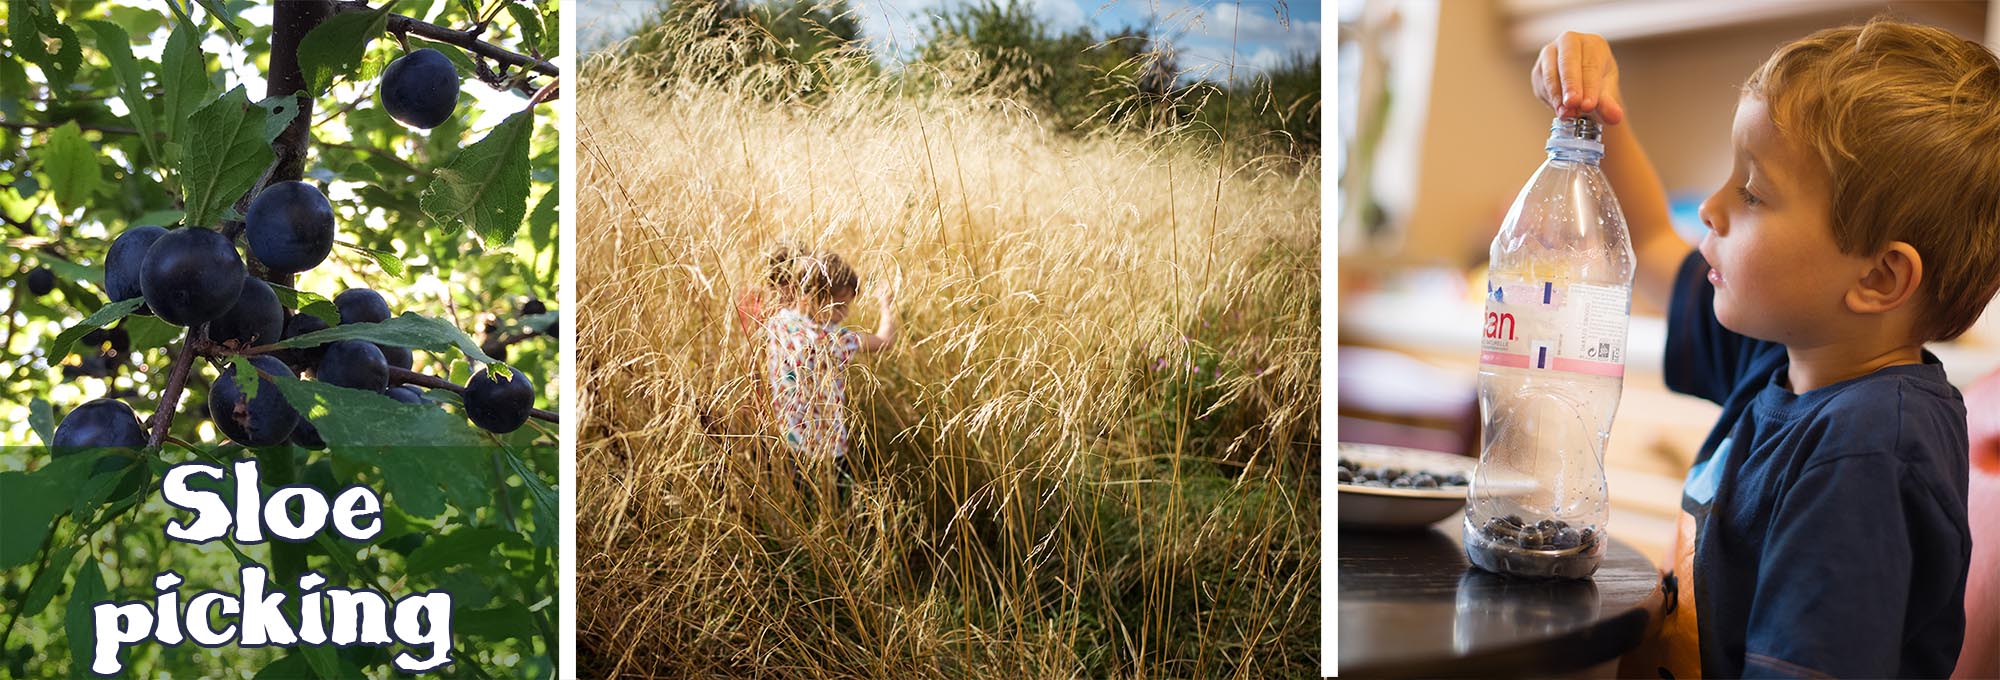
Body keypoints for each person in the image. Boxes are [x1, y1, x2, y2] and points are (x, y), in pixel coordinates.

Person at [1531, 19, 2000, 678]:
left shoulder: (1862, 453)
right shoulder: (1791, 357)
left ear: (1877, 277)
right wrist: (1595, 110)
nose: (1711, 208)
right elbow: (1656, 246)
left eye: (1752, 192)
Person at [762, 245, 897, 501]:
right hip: (827, 445)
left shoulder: (779, 322)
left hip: (789, 437)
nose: (844, 313)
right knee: (837, 502)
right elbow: (884, 341)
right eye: (839, 305)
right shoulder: (832, 339)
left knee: (802, 505)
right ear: (811, 295)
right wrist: (885, 305)